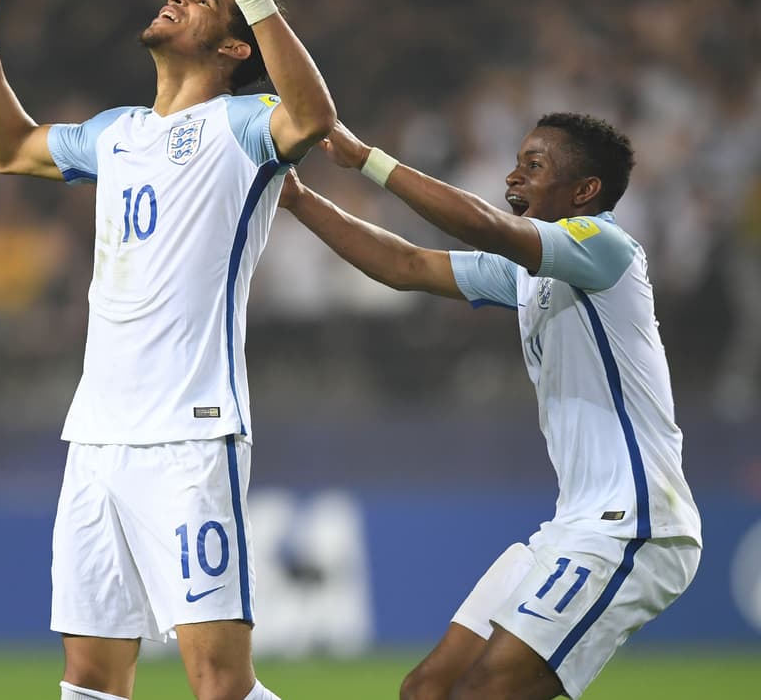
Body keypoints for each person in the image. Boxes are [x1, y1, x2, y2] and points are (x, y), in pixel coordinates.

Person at [0, 0, 336, 700]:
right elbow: (12, 147)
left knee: (218, 683)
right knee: (89, 678)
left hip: (190, 438)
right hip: (97, 438)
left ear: (232, 49)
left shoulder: (246, 125)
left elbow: (314, 117)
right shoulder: (116, 131)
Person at [279, 113, 701, 700]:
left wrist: (367, 159)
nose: (513, 176)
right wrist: (298, 199)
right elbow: (407, 266)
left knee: (485, 693)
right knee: (427, 688)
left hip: (633, 525)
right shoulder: (530, 275)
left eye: (534, 165)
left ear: (584, 191)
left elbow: (487, 226)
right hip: (572, 525)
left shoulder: (605, 247)